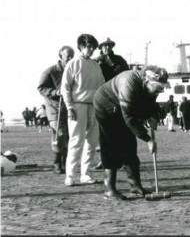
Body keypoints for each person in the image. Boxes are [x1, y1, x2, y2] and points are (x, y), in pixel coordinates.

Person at [93, 65, 168, 200]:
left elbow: (149, 102)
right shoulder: (129, 84)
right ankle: (109, 189)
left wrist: (150, 116)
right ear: (147, 81)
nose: (159, 91)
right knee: (111, 144)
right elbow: (129, 118)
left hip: (122, 106)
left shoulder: (150, 87)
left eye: (162, 88)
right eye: (158, 88)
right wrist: (148, 139)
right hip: (105, 106)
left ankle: (135, 186)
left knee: (129, 143)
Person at [60, 34, 105, 186]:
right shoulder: (72, 63)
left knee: (91, 142)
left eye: (93, 47)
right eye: (88, 46)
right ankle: (70, 176)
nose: (91, 49)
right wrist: (70, 107)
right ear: (81, 46)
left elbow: (102, 87)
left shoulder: (95, 65)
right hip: (77, 105)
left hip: (94, 106)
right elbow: (65, 88)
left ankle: (85, 174)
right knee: (76, 142)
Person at [93, 37, 130, 170]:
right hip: (102, 98)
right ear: (101, 47)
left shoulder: (119, 60)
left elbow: (125, 75)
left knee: (121, 129)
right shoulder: (96, 61)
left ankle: (125, 160)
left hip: (117, 97)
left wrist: (112, 65)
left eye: (109, 45)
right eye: (104, 46)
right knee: (103, 132)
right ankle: (105, 160)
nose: (107, 48)